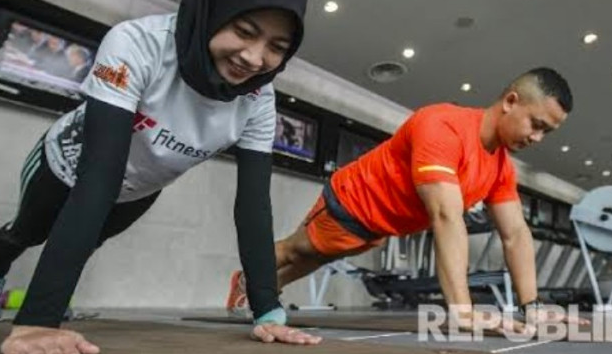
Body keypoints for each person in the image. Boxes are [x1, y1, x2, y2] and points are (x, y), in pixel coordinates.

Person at [0, 0, 321, 354]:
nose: (255, 58)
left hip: (139, 189)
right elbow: (99, 175)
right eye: (243, 31)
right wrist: (39, 319)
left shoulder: (259, 100)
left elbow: (253, 206)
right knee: (25, 233)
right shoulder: (138, 43)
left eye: (277, 46)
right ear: (215, 9)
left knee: (90, 238)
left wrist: (267, 310)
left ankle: (54, 293)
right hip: (68, 165)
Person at [227, 67, 590, 334]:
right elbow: (446, 216)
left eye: (548, 132)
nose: (538, 138)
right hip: (354, 200)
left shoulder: (500, 167)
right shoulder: (443, 125)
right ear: (511, 101)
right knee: (297, 251)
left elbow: (516, 234)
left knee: (321, 254)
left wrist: (533, 306)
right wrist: (462, 311)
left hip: (380, 225)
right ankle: (246, 279)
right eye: (537, 124)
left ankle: (264, 284)